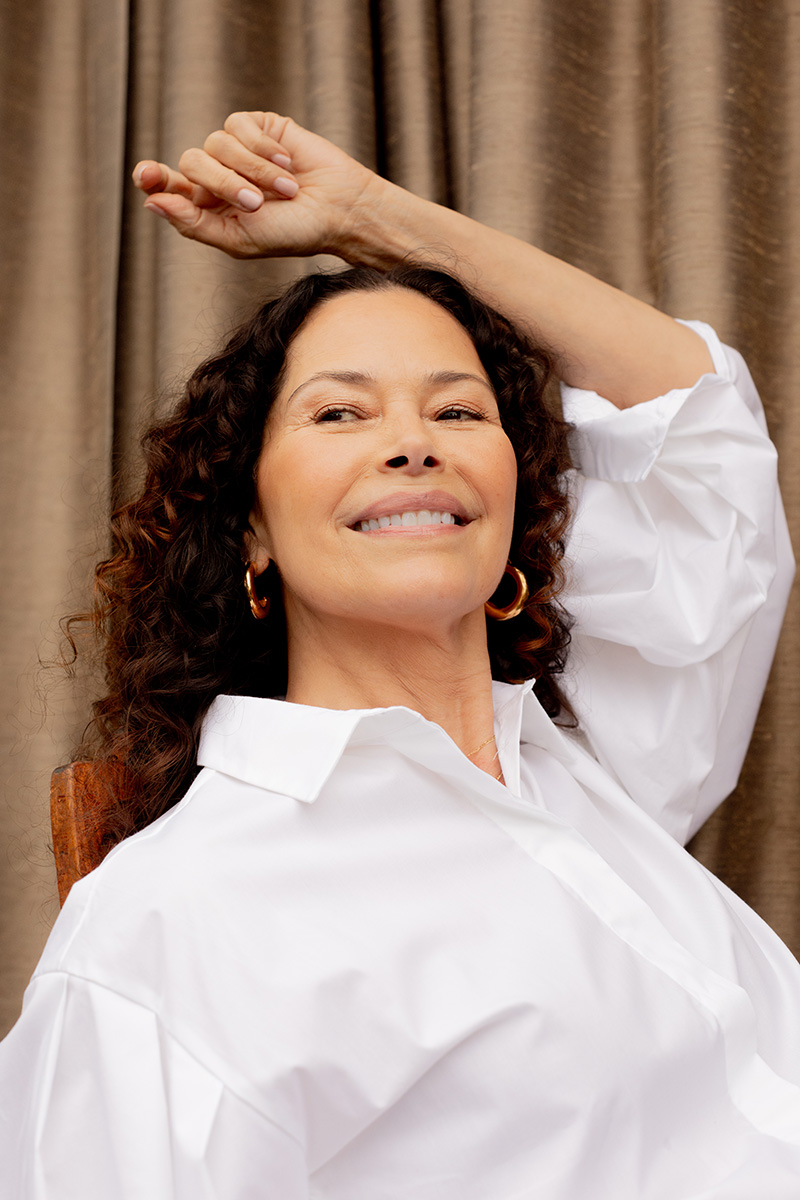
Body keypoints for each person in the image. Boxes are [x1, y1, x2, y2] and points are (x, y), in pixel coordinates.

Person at [0, 111, 797, 1198]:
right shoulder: (174, 918)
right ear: (251, 530)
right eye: (338, 413)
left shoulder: (590, 765)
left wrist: (373, 220)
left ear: (517, 504)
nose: (411, 440)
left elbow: (696, 430)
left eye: (457, 409)